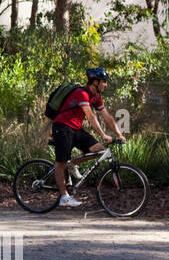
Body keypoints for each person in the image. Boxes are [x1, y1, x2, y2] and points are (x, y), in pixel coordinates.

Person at [51, 66, 125, 207]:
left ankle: (72, 164)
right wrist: (103, 134)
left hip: (75, 129)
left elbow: (107, 116)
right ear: (95, 82)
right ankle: (64, 197)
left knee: (98, 149)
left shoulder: (96, 97)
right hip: (62, 127)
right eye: (103, 81)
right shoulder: (82, 94)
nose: (105, 84)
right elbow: (90, 116)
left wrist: (119, 134)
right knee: (60, 163)